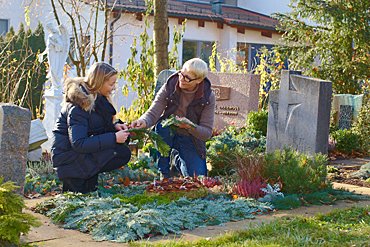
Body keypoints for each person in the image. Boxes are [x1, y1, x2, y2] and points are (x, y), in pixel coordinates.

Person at [51, 62, 131, 193]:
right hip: (69, 159)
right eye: (111, 84)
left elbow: (96, 126)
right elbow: (79, 143)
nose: (114, 88)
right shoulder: (79, 106)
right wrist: (113, 138)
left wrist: (115, 126)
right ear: (99, 82)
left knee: (121, 152)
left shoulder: (97, 100)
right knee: (119, 152)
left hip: (79, 156)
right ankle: (81, 178)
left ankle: (89, 176)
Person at [131, 58, 215, 178]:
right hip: (166, 133)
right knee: (163, 127)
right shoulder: (170, 86)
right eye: (182, 73)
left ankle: (177, 160)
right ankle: (163, 172)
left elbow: (206, 132)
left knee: (197, 176)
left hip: (190, 138)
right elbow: (153, 112)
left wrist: (190, 126)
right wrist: (142, 121)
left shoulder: (208, 97)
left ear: (199, 80)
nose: (181, 79)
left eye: (187, 78)